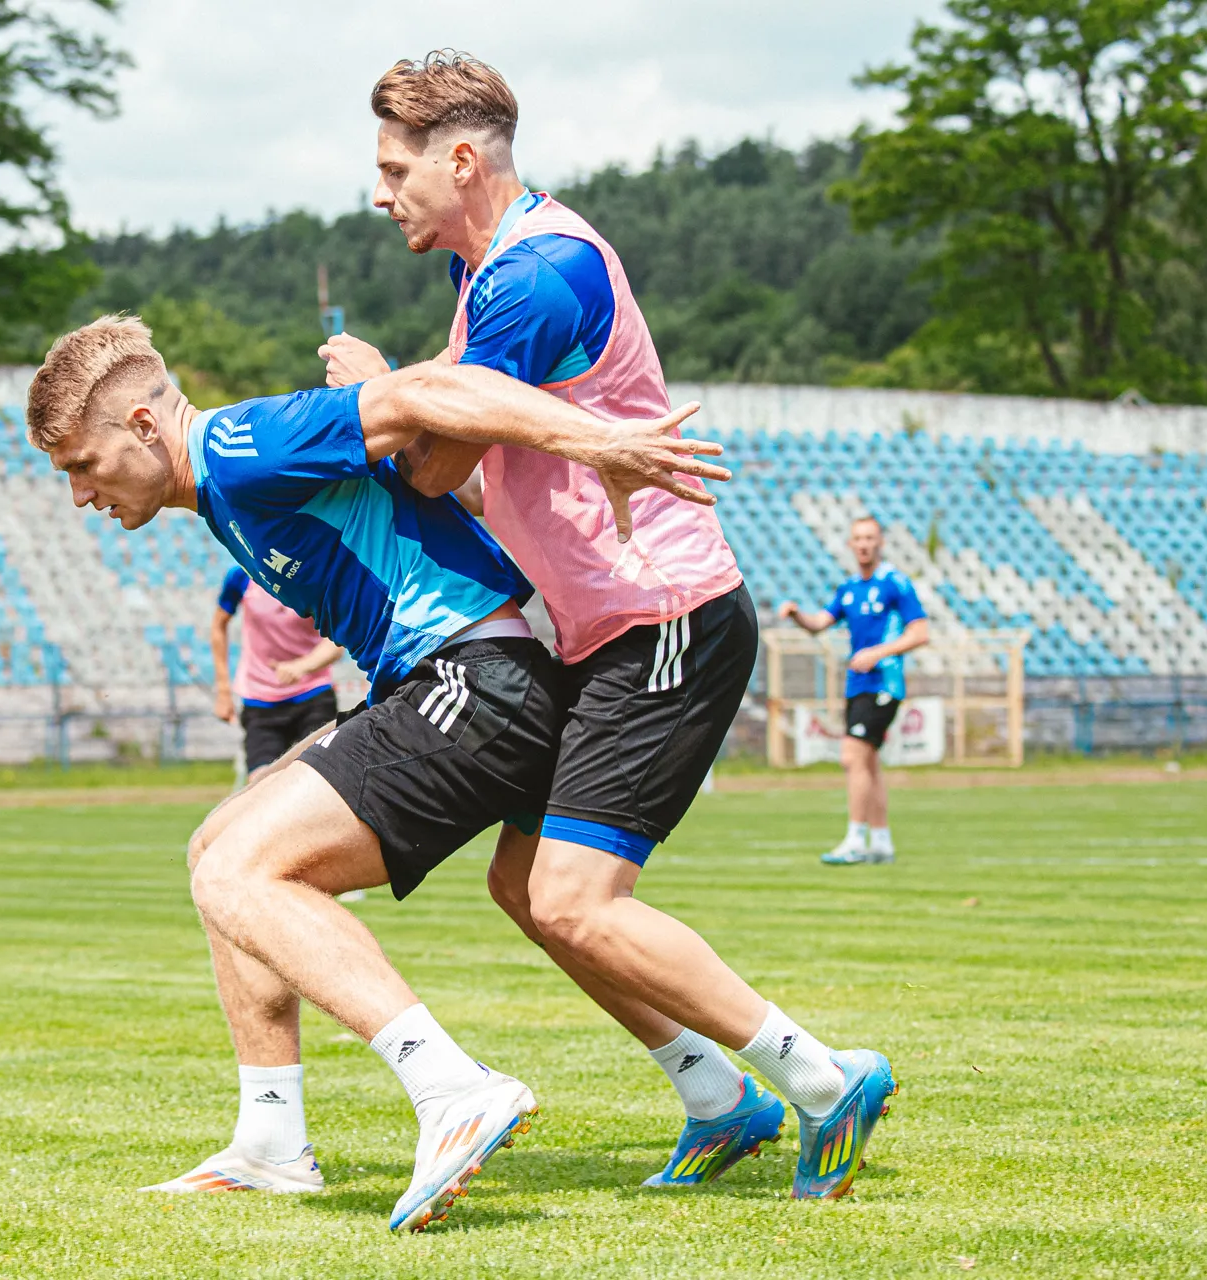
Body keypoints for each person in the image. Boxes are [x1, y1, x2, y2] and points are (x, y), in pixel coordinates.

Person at [318, 51, 896, 1199]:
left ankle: (825, 1077)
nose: (380, 194)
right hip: (598, 630)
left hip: (663, 615)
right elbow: (470, 456)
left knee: (576, 896)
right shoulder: (489, 275)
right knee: (524, 884)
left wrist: (377, 387)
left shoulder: (536, 278)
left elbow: (431, 465)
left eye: (394, 170)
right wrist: (410, 392)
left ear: (462, 159)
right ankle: (717, 1097)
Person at [25, 314, 726, 1230]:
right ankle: (273, 1142)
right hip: (461, 680)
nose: (80, 494)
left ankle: (452, 1088)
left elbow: (420, 397)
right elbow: (427, 468)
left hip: (474, 681)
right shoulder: (227, 486)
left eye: (82, 465)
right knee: (222, 848)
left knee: (240, 872)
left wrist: (600, 444)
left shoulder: (237, 446)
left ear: (146, 427)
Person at [778, 515, 930, 865]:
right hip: (857, 685)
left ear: (880, 543)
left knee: (851, 756)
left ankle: (856, 840)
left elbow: (920, 632)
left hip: (884, 683)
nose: (864, 544)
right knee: (868, 763)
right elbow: (819, 624)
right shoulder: (848, 588)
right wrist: (798, 614)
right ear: (850, 544)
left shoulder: (894, 583)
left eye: (870, 538)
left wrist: (879, 653)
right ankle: (881, 841)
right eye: (858, 538)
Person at [209, 565, 344, 774]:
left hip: (313, 694)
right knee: (261, 781)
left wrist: (301, 666)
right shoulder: (242, 575)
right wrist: (223, 690)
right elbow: (219, 625)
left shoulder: (315, 569)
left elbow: (337, 642)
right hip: (260, 700)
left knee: (316, 777)